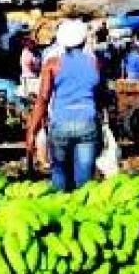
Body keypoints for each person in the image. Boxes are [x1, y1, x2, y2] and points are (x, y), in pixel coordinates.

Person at [26, 19, 101, 192]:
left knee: (59, 174)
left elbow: (43, 99)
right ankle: (83, 211)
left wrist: (32, 130)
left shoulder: (52, 64)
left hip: (60, 123)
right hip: (87, 123)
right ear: (83, 41)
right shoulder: (94, 63)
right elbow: (98, 94)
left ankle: (60, 206)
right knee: (84, 180)